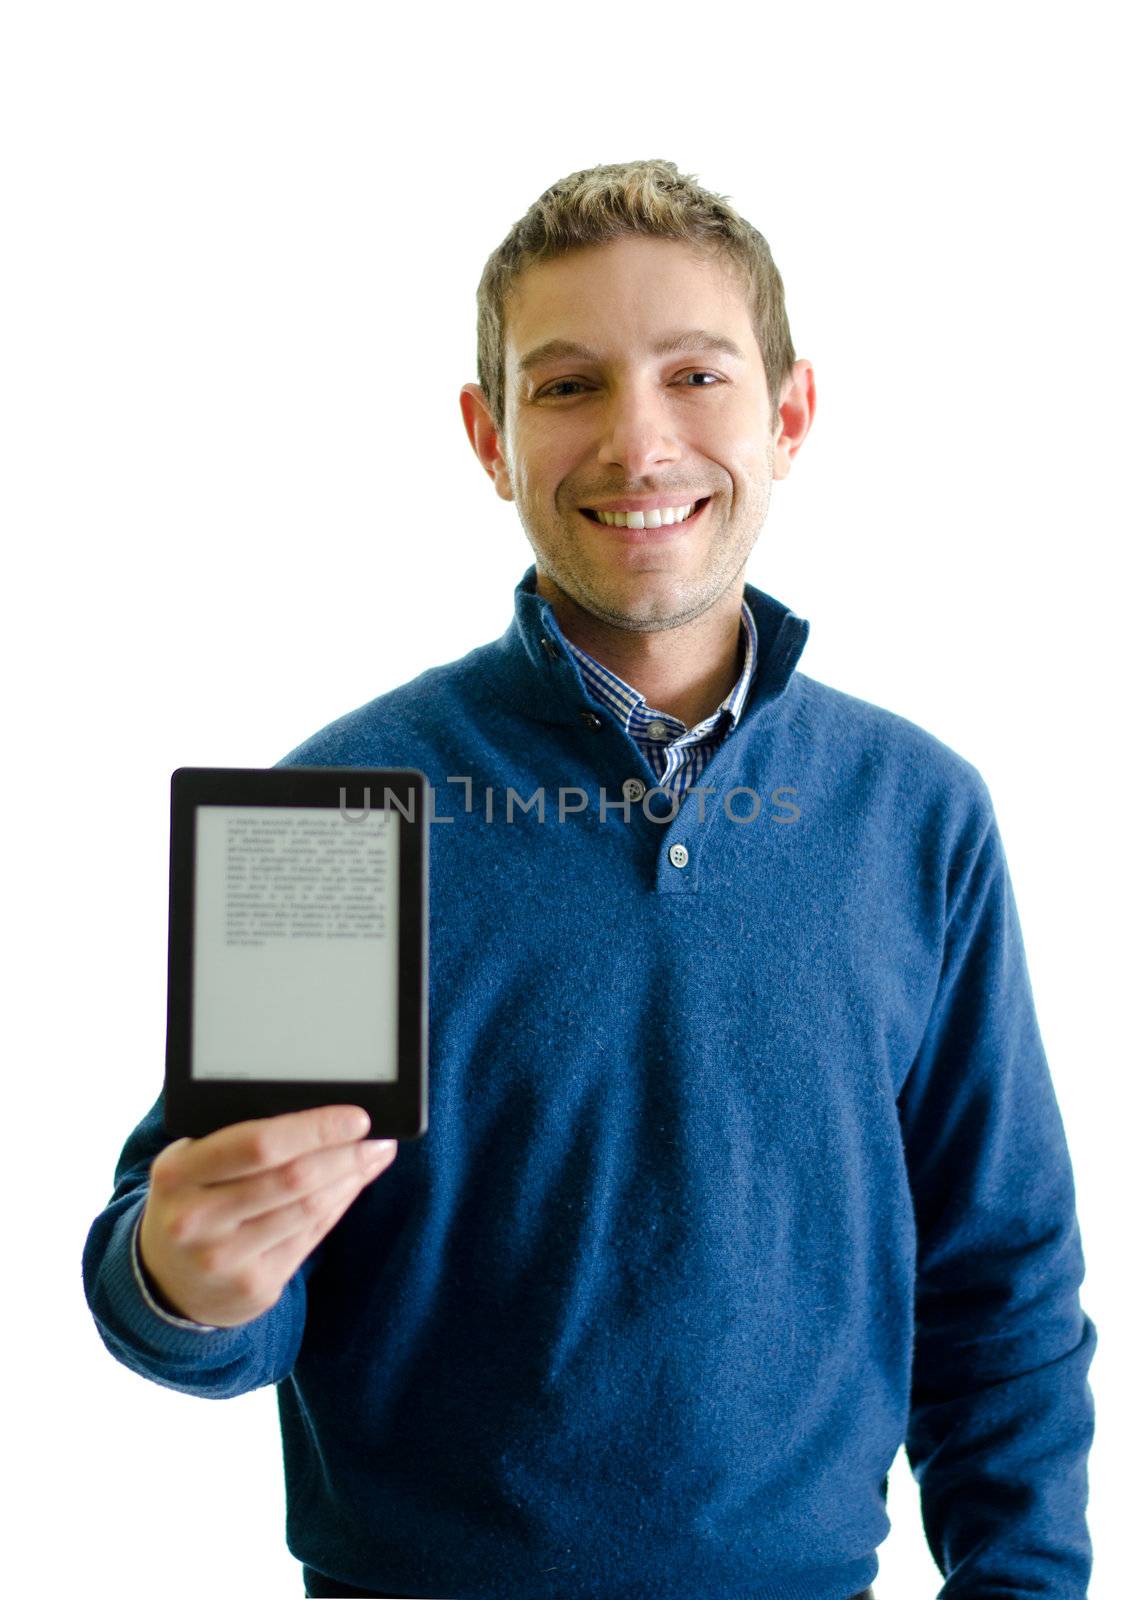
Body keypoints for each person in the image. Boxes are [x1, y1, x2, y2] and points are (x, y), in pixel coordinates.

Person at [82, 157, 1096, 1600]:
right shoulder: (336, 813)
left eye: (696, 375)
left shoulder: (917, 814)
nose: (639, 441)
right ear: (488, 438)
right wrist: (185, 1281)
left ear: (789, 415)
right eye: (566, 389)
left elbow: (1001, 1286)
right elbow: (185, 1263)